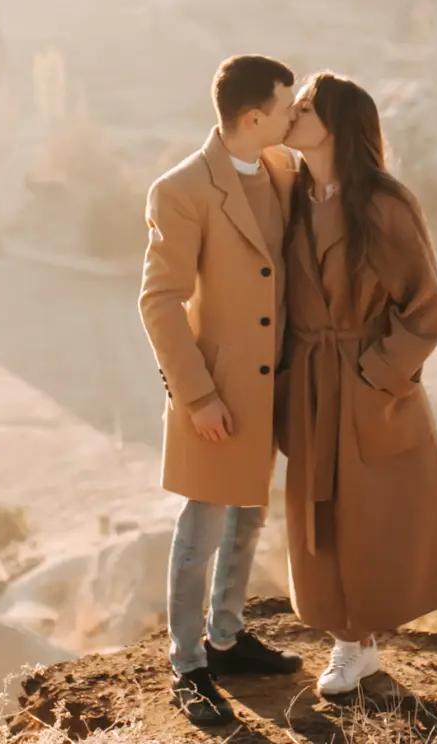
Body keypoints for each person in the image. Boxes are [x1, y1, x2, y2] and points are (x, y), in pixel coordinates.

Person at [275, 71, 437, 716]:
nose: (294, 114)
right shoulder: (290, 196)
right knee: (330, 523)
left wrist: (376, 375)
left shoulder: (384, 204)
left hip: (375, 392)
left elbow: (425, 308)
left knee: (430, 523)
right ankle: (354, 643)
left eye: (306, 106)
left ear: (336, 124)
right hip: (312, 389)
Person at [138, 54, 305, 727]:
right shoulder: (179, 189)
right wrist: (197, 394)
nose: (295, 117)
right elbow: (159, 300)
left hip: (269, 389)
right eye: (288, 107)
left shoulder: (282, 169)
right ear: (254, 116)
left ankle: (228, 637)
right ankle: (187, 664)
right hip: (216, 392)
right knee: (201, 524)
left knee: (249, 515)